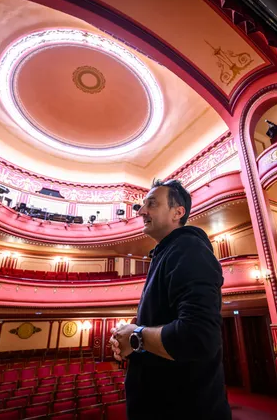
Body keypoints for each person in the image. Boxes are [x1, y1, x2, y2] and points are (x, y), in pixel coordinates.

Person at [109, 179, 231, 420]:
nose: (141, 211)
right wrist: (127, 337)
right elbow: (160, 323)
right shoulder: (167, 253)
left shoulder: (188, 248)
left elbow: (198, 337)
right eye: (142, 206)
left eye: (151, 204)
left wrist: (135, 337)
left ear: (178, 212)